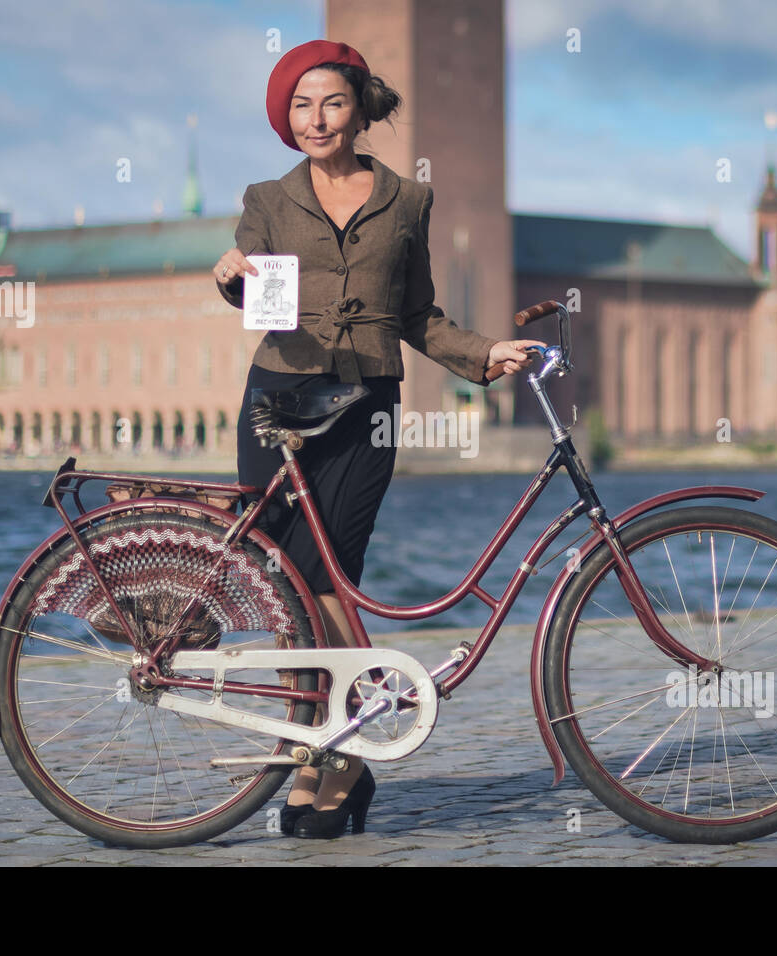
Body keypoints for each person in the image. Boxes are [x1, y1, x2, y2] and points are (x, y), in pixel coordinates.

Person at [214, 39, 542, 839]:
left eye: (330, 101)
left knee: (334, 575)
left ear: (359, 108)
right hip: (280, 401)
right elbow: (249, 282)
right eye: (301, 105)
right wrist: (230, 276)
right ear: (286, 120)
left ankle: (340, 753)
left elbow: (418, 314)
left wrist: (482, 353)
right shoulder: (266, 196)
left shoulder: (405, 200)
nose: (316, 117)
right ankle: (318, 754)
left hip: (367, 403)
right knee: (283, 580)